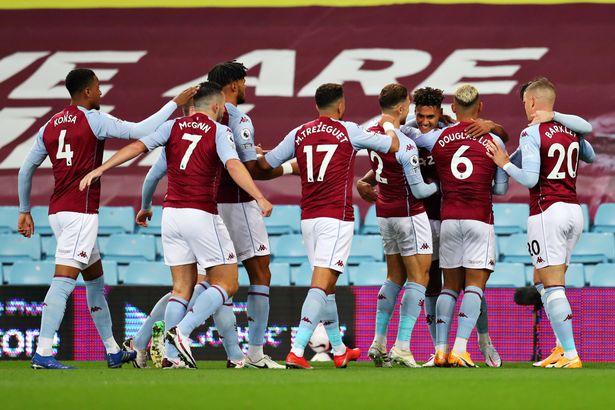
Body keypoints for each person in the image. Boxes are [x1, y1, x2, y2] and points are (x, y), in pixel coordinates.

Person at [79, 81, 272, 369]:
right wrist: (259, 197)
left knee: (182, 287)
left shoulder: (172, 128)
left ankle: (170, 356)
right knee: (227, 283)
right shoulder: (220, 131)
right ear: (217, 107)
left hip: (171, 215)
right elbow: (233, 166)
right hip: (201, 214)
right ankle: (181, 332)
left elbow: (138, 147)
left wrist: (103, 168)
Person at [17, 68, 195, 369]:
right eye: (98, 87)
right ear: (86, 92)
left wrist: (24, 210)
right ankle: (43, 352)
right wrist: (173, 103)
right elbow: (141, 131)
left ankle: (113, 350)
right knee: (62, 282)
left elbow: (25, 170)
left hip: (58, 211)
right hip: (80, 212)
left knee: (95, 281)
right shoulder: (93, 119)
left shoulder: (48, 125)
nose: (101, 92)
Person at [257, 83, 400, 369]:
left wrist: (267, 154)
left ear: (316, 106)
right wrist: (389, 125)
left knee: (329, 286)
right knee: (321, 284)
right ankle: (297, 350)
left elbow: (266, 164)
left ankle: (338, 349)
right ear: (340, 106)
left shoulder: (299, 133)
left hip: (309, 218)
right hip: (335, 217)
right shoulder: (348, 130)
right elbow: (393, 147)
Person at [486, 77, 595, 369]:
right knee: (542, 278)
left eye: (524, 102)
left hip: (548, 211)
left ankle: (571, 354)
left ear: (533, 101)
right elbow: (591, 155)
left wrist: (504, 163)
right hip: (574, 210)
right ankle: (561, 348)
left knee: (553, 283)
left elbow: (531, 179)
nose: (523, 107)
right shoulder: (571, 129)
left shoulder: (531, 132)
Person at [399, 87, 506, 367]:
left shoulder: (437, 138)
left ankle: (442, 351)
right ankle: (460, 348)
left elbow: (409, 134)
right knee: (474, 287)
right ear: (480, 108)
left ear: (453, 109)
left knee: (449, 288)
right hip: (479, 217)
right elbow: (502, 189)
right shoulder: (492, 139)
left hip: (448, 218)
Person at [355, 84, 437, 368]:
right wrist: (439, 184)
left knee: (394, 276)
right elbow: (419, 192)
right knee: (419, 277)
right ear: (402, 108)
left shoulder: (371, 135)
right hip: (409, 214)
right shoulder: (405, 143)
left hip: (383, 213)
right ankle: (402, 346)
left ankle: (378, 342)